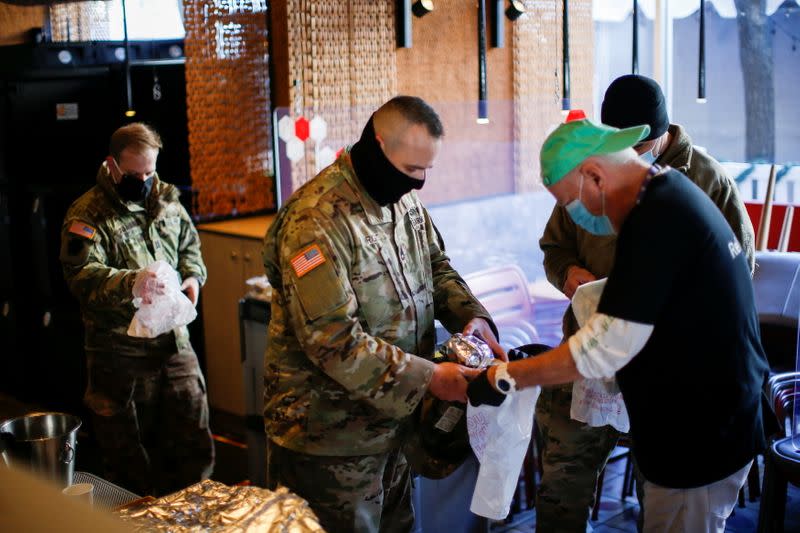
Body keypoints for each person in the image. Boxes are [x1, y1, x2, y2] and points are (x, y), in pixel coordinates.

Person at [469, 119, 769, 532]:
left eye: (571, 203)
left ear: (594, 176)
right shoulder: (666, 193)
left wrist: (506, 376)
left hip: (701, 436)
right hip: (702, 422)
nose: (578, 215)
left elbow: (601, 349)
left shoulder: (658, 219)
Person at [262, 95, 503, 533]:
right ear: (378, 146)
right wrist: (431, 377)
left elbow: (437, 267)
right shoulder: (315, 220)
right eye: (413, 170)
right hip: (330, 441)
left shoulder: (401, 199)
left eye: (428, 169)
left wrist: (474, 318)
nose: (420, 182)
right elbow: (333, 341)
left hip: (393, 429)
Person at [534, 74, 755, 531]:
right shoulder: (587, 174)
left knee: (663, 496)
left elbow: (734, 276)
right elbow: (554, 249)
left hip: (670, 376)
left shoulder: (700, 184)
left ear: (659, 136)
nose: (627, 160)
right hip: (601, 354)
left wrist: (507, 377)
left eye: (639, 147)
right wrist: (570, 275)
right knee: (563, 480)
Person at [60, 122, 213, 496]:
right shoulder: (87, 214)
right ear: (112, 165)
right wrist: (131, 281)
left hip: (174, 345)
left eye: (150, 171)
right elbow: (79, 275)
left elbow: (190, 247)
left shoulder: (165, 199)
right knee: (130, 462)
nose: (144, 180)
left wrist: (193, 279)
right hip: (119, 356)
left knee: (194, 445)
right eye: (134, 173)